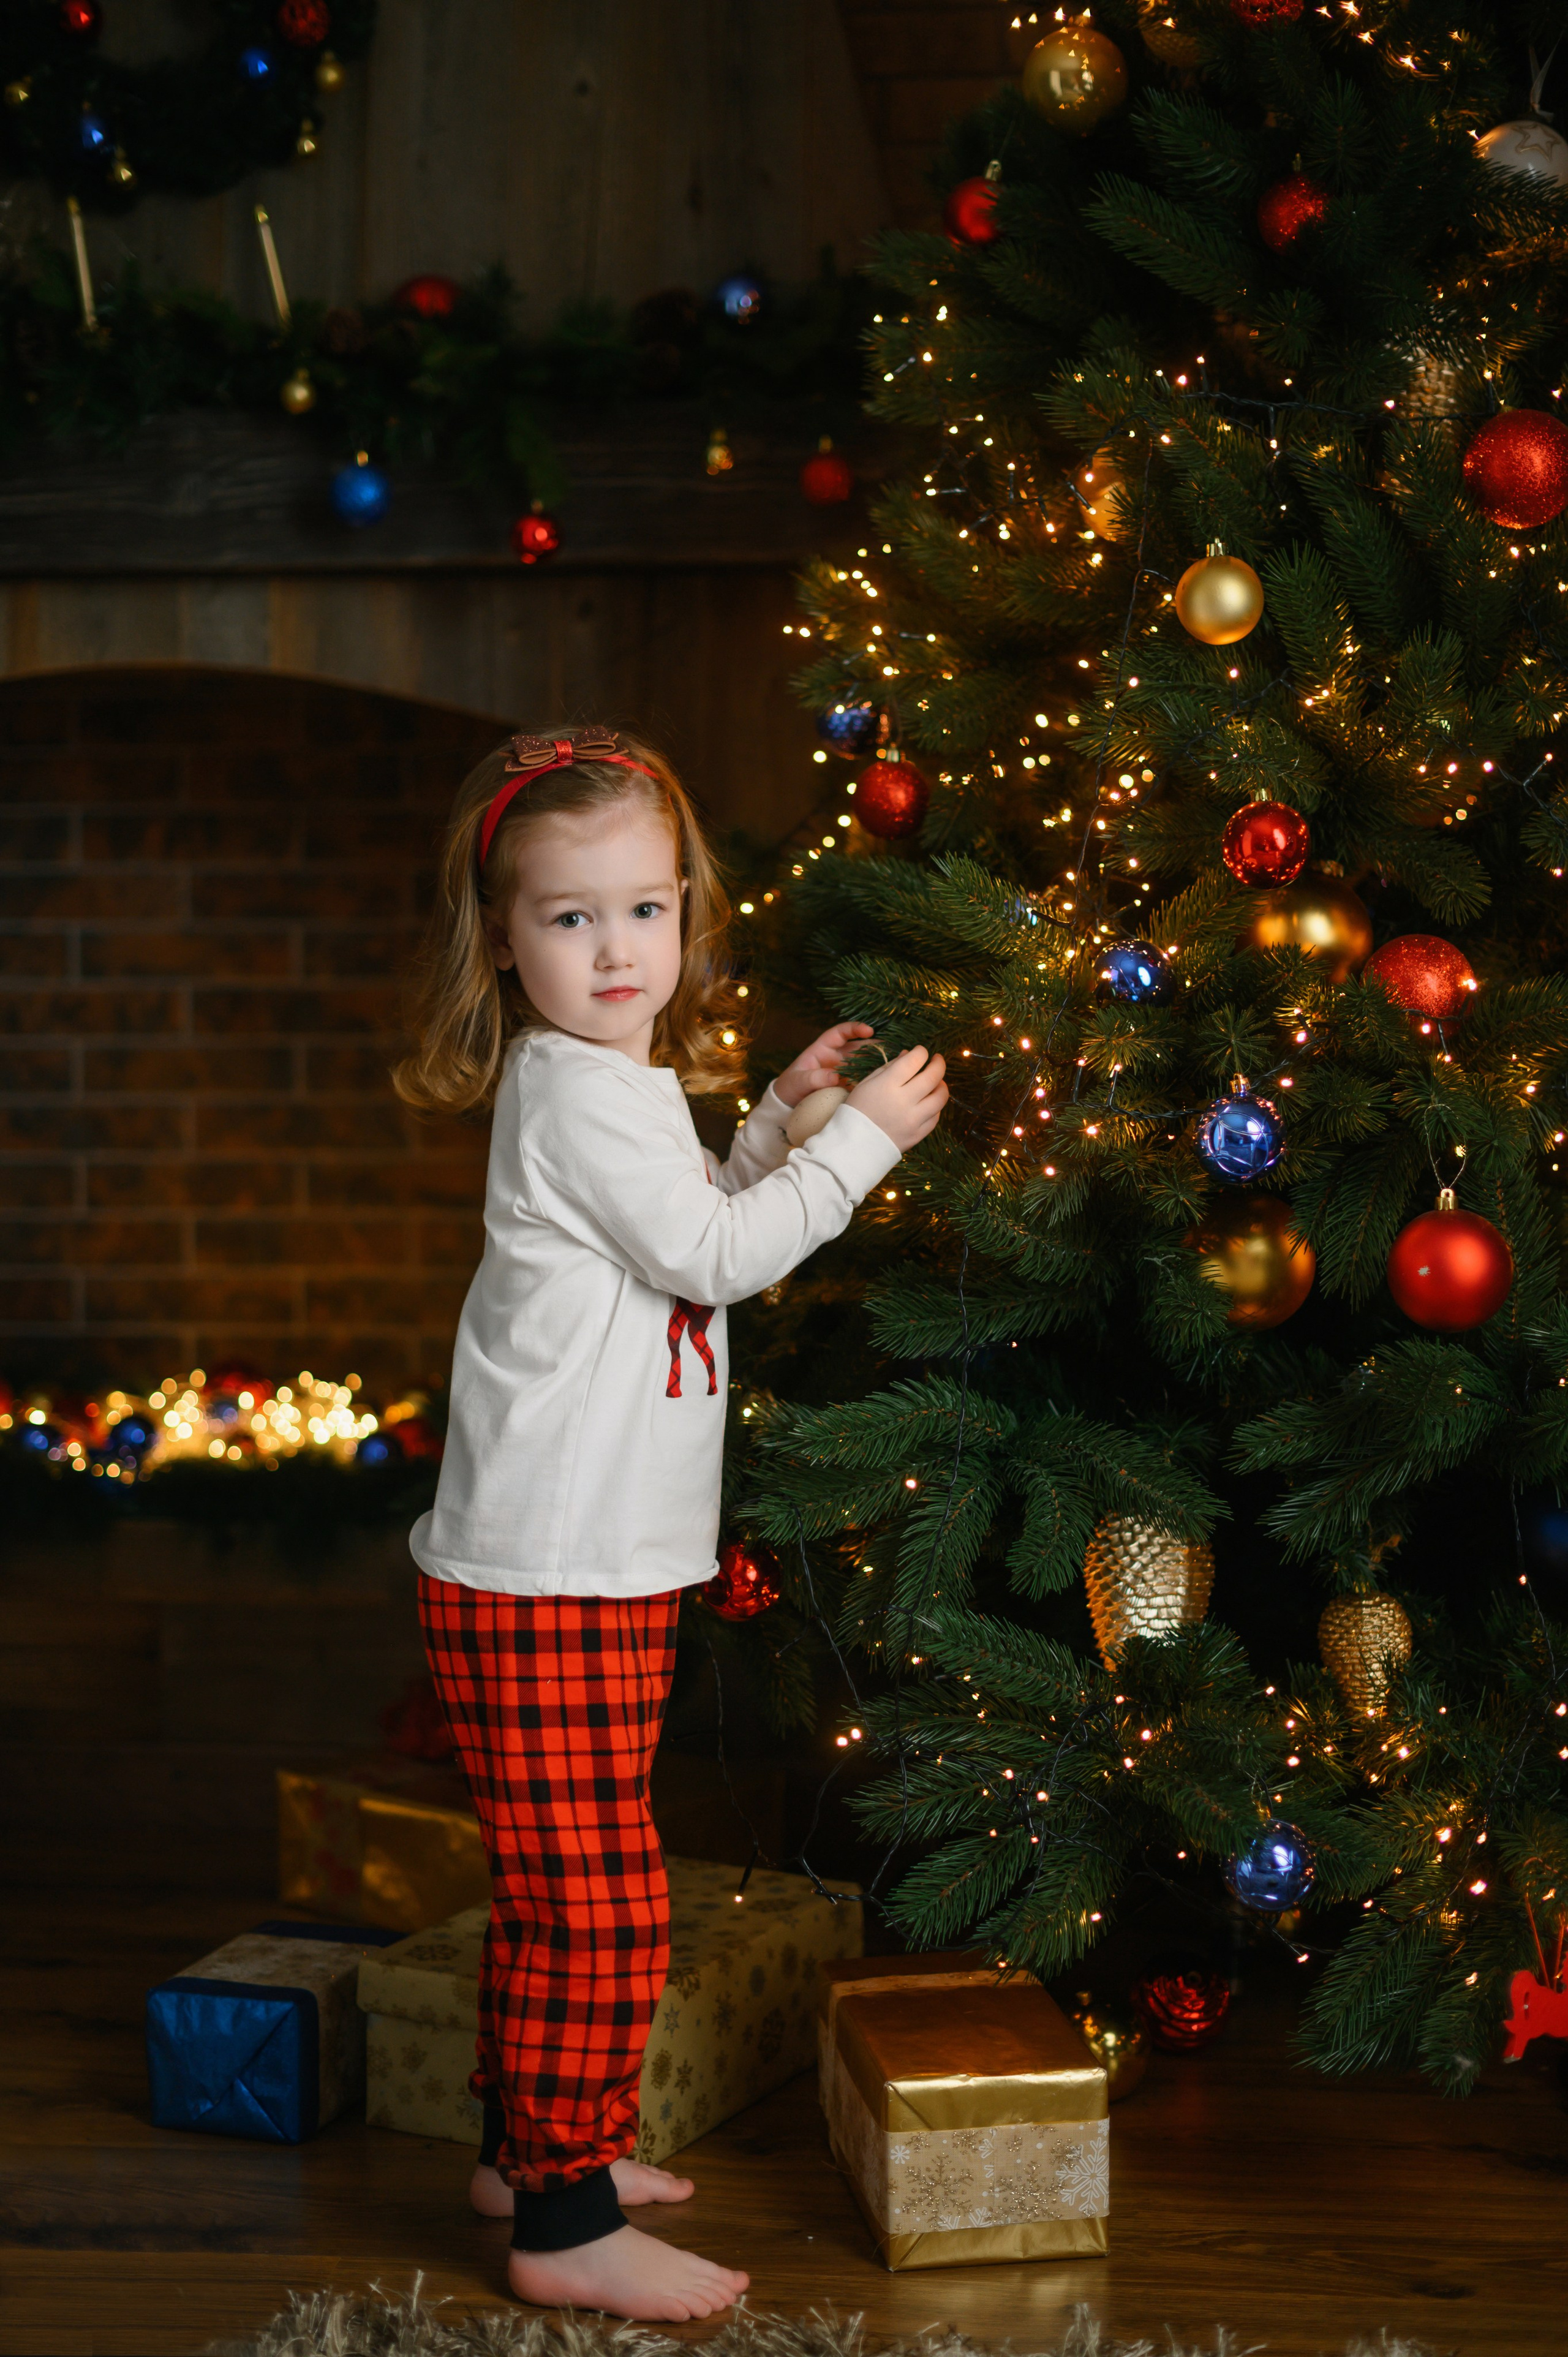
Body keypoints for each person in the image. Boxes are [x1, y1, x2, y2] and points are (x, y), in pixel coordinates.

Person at [393, 724, 947, 2321]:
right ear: (503, 936)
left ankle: (528, 2152)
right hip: (550, 1576)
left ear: (687, 910)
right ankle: (560, 2222)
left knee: (564, 1886)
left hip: (589, 1567)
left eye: (644, 908)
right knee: (601, 1906)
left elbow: (687, 1213)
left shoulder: (608, 1087)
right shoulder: (575, 1096)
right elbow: (717, 1261)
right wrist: (862, 1146)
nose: (616, 948)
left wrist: (773, 1124)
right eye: (570, 917)